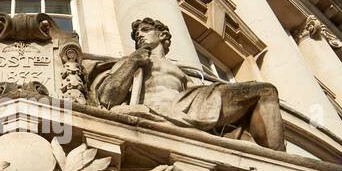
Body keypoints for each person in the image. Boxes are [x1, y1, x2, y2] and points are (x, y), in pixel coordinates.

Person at [91, 17, 286, 150]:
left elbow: (196, 93)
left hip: (187, 105)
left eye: (145, 30)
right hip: (156, 109)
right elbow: (108, 99)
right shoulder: (129, 61)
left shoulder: (182, 73)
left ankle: (279, 161)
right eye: (137, 35)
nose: (139, 35)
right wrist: (133, 61)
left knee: (266, 91)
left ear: (162, 35)